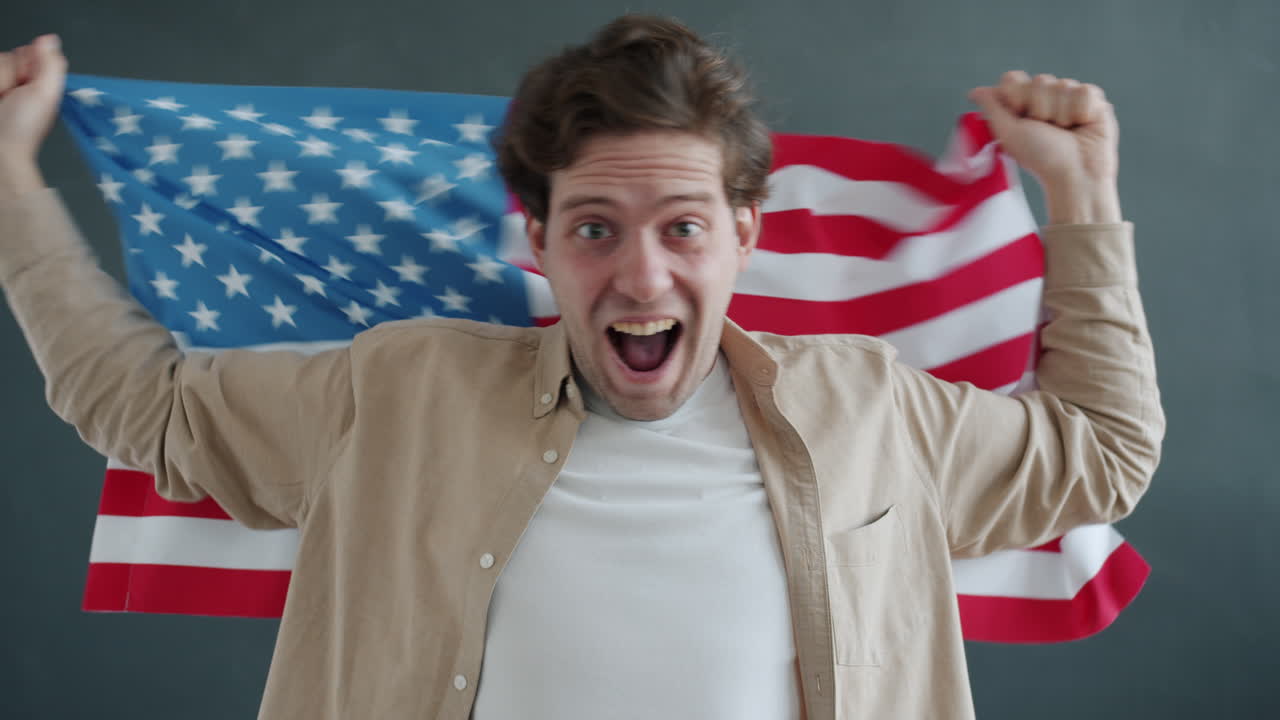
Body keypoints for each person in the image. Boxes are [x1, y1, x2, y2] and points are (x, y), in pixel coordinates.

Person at [0, 15, 1162, 720]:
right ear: (542, 241)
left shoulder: (868, 407)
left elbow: (1100, 458)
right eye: (596, 227)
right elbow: (136, 398)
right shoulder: (400, 392)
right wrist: (9, 177)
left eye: (683, 228)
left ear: (745, 234)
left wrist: (1080, 189)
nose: (643, 278)